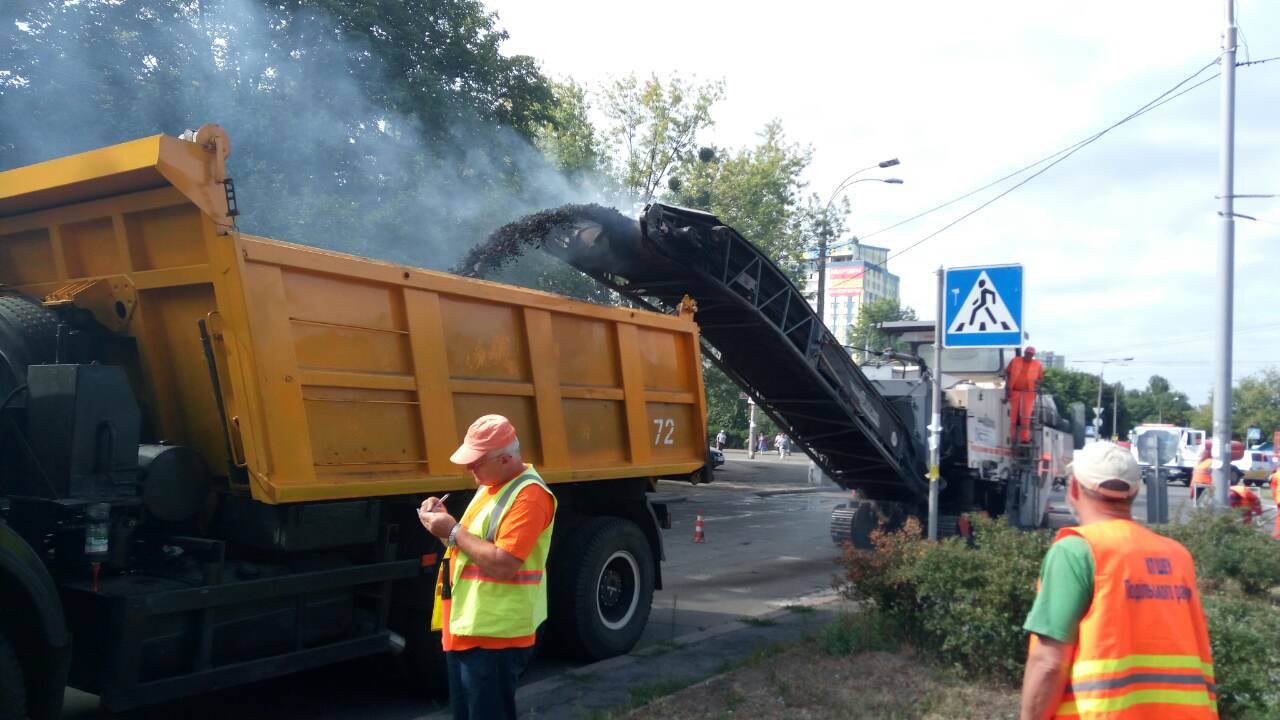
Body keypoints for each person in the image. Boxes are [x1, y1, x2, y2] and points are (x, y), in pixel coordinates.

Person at [1020, 442, 1217, 719]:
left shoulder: (1077, 550)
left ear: (1074, 488)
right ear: (1134, 492)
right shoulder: (1177, 555)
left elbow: (1049, 663)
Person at [418, 415, 556, 720]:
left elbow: (504, 564)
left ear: (506, 459)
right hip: (470, 630)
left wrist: (452, 530)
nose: (470, 469)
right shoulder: (492, 485)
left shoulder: (530, 496)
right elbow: (469, 550)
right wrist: (444, 527)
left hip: (496, 636)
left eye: (477, 462)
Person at [1005, 346, 1044, 445]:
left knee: (1026, 417)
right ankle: (1011, 438)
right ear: (1024, 353)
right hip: (1014, 391)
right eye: (1027, 353)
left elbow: (1041, 379)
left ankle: (1025, 439)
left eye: (1030, 354)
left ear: (1033, 355)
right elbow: (1007, 373)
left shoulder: (1037, 364)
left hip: (1028, 393)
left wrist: (1037, 382)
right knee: (1011, 417)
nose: (1028, 355)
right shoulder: (1015, 361)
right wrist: (1007, 389)